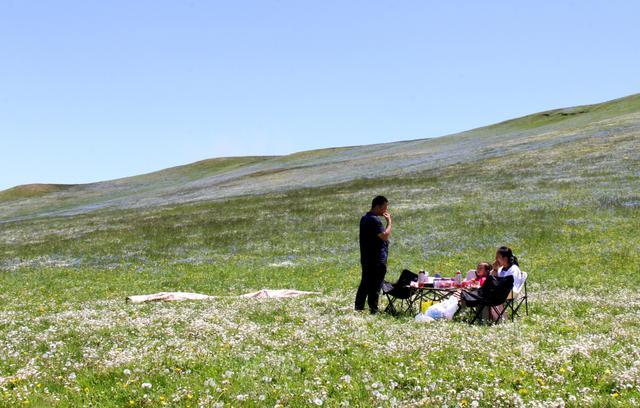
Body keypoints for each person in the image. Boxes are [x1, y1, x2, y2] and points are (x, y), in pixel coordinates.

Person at [355, 195, 392, 313]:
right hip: (377, 258)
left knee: (365, 283)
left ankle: (359, 307)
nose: (386, 210)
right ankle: (373, 309)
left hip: (367, 257)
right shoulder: (374, 220)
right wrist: (389, 222)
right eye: (384, 207)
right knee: (375, 285)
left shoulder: (364, 218)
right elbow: (384, 235)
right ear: (378, 206)